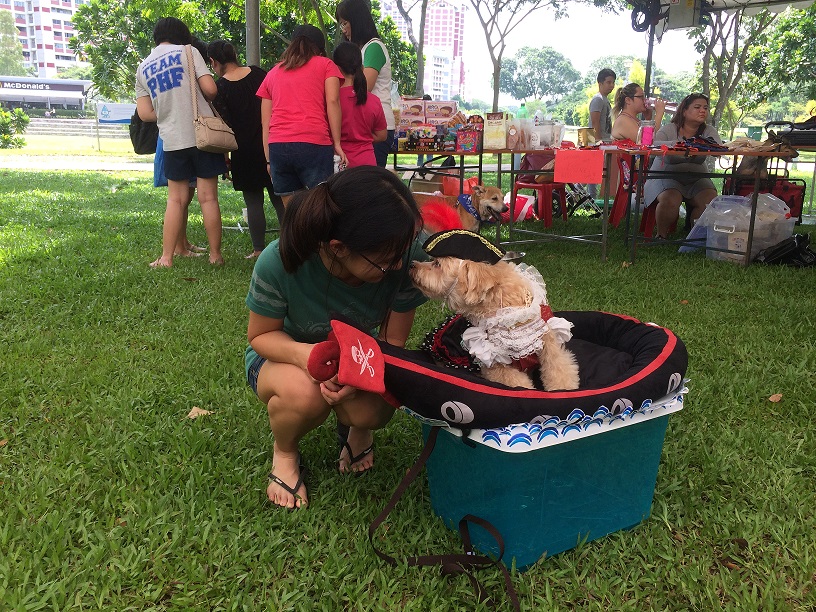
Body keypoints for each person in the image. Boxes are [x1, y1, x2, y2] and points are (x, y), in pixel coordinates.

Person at [245, 165, 428, 509]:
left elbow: (393, 342)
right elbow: (261, 336)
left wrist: (361, 377)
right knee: (305, 395)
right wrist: (309, 360)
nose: (400, 265)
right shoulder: (280, 260)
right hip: (281, 357)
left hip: (361, 355)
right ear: (339, 248)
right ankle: (285, 452)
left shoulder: (406, 257)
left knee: (374, 408)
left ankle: (357, 429)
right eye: (387, 261)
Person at [136, 17, 226, 268]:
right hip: (201, 135)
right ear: (181, 34)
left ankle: (166, 258)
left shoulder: (143, 66)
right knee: (208, 198)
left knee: (175, 199)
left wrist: (169, 112)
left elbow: (144, 113)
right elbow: (210, 90)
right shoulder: (189, 51)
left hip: (171, 139)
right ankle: (215, 255)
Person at [208, 39, 285, 259]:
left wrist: (225, 159)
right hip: (269, 143)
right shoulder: (259, 73)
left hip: (243, 151)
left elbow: (225, 126)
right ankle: (291, 242)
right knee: (279, 198)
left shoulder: (220, 88)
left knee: (253, 202)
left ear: (214, 61)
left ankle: (259, 249)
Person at [256, 24, 346, 208]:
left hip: (278, 148)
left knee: (291, 212)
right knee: (319, 207)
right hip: (313, 143)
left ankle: (294, 237)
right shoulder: (326, 65)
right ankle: (319, 238)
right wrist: (337, 143)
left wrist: (268, 160)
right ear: (319, 50)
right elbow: (333, 102)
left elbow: (266, 122)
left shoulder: (272, 74)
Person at [643, 93, 722, 239]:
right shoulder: (669, 129)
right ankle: (661, 235)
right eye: (697, 107)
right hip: (666, 176)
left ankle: (694, 238)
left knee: (710, 198)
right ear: (684, 111)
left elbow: (719, 150)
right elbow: (653, 145)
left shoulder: (708, 131)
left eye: (705, 107)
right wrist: (680, 146)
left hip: (696, 178)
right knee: (670, 199)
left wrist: (708, 147)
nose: (702, 111)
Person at [336, 0, 396, 167]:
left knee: (368, 185)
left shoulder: (374, 47)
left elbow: (364, 86)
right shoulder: (361, 49)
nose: (344, 29)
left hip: (375, 124)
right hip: (361, 122)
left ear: (357, 21)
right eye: (341, 24)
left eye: (345, 23)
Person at [332, 41, 387, 168]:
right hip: (367, 164)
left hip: (340, 163)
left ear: (336, 67)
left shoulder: (332, 100)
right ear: (361, 66)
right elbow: (382, 135)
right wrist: (362, 137)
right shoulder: (373, 100)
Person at [589, 68, 616, 143]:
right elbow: (595, 122)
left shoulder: (605, 100)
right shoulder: (598, 99)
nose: (612, 85)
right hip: (599, 143)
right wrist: (598, 142)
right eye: (608, 82)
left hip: (606, 141)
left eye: (613, 82)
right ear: (600, 83)